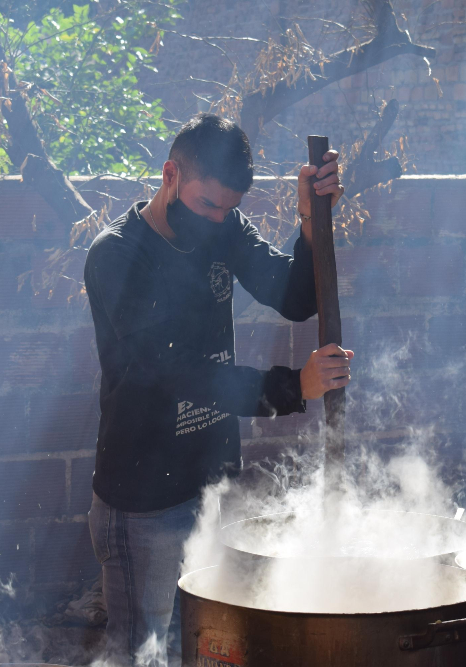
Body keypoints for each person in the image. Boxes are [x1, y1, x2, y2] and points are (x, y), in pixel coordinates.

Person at [83, 113, 353, 665]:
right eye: (207, 204)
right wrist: (292, 387)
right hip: (143, 504)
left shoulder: (223, 230)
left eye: (229, 210)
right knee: (145, 654)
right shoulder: (117, 256)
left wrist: (310, 220)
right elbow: (175, 375)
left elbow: (296, 297)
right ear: (170, 176)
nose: (217, 220)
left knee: (211, 648)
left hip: (212, 485)